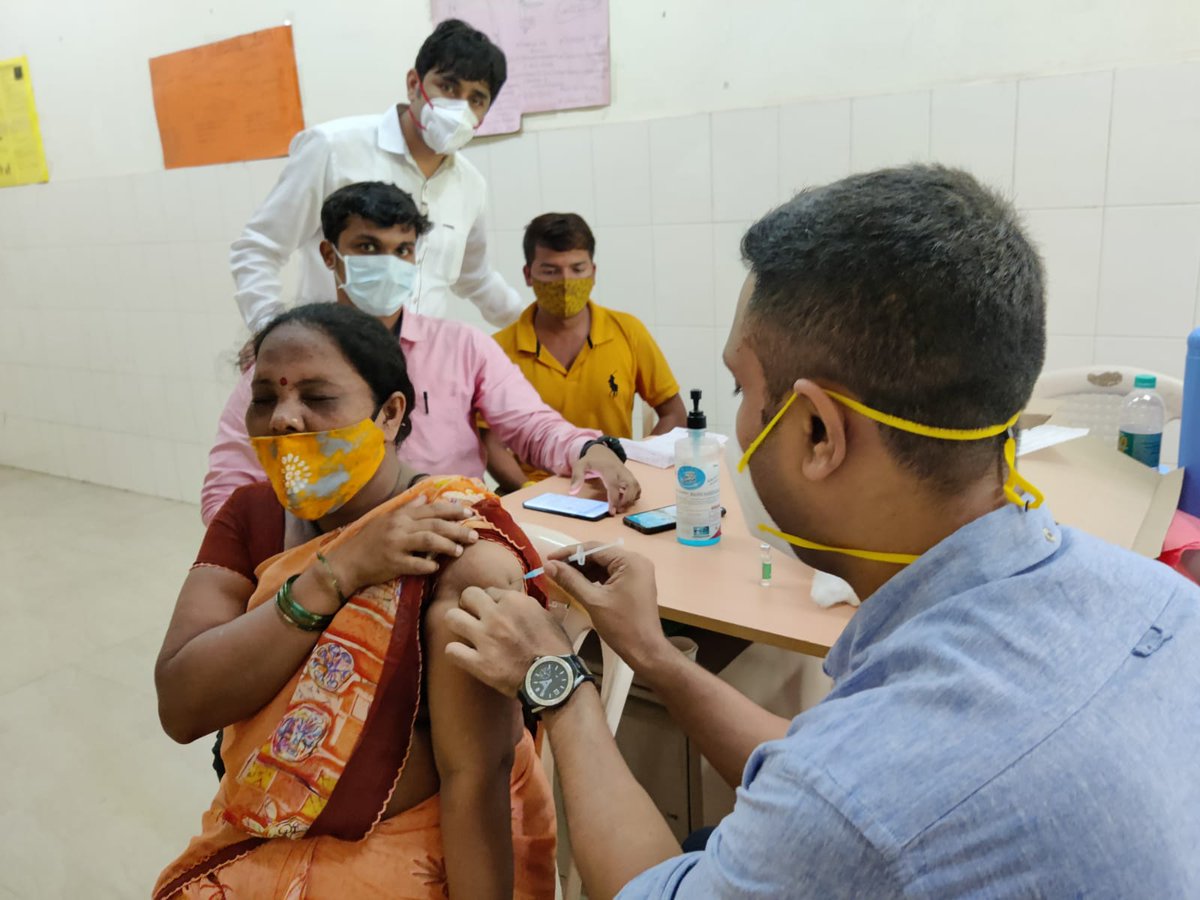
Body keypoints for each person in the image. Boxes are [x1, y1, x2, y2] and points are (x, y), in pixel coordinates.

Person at [441, 166, 1200, 897]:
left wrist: (558, 681)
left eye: (742, 388)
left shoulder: (864, 804)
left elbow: (830, 812)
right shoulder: (1160, 598)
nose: (737, 423)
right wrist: (653, 657)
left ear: (817, 433)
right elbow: (813, 768)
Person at [153, 303, 556, 899]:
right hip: (260, 835)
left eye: (317, 396)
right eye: (264, 398)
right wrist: (336, 572)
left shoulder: (456, 540)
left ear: (391, 413)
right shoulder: (252, 515)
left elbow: (476, 777)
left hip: (407, 852)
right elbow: (182, 706)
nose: (284, 420)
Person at [204, 182, 641, 525]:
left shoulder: (461, 346)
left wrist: (587, 448)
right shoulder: (286, 360)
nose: (388, 262)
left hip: (455, 537)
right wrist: (303, 558)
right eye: (368, 247)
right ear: (330, 255)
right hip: (333, 553)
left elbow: (532, 424)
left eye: (402, 250)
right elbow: (227, 492)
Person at [230, 18, 522, 363]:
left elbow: (475, 278)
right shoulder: (334, 148)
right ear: (414, 84)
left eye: (476, 99)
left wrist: (540, 322)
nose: (460, 108)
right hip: (330, 359)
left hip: (420, 367)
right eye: (448, 87)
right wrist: (272, 330)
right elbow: (258, 248)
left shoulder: (470, 185)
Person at [483, 213, 686, 491]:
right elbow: (490, 444)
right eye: (551, 271)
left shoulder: (627, 332)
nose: (566, 282)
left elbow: (674, 414)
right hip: (531, 493)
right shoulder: (497, 350)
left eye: (577, 269)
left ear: (593, 271)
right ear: (528, 275)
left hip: (614, 489)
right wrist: (530, 493)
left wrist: (634, 471)